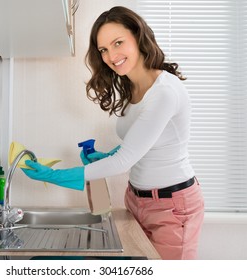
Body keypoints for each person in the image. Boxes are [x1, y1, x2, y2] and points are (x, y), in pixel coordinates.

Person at [22, 6, 204, 260]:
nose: (111, 55)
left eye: (118, 43)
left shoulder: (164, 92)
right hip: (136, 201)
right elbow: (145, 142)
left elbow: (125, 160)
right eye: (104, 50)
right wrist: (106, 155)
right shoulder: (133, 87)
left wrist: (55, 176)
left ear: (139, 37)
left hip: (171, 208)